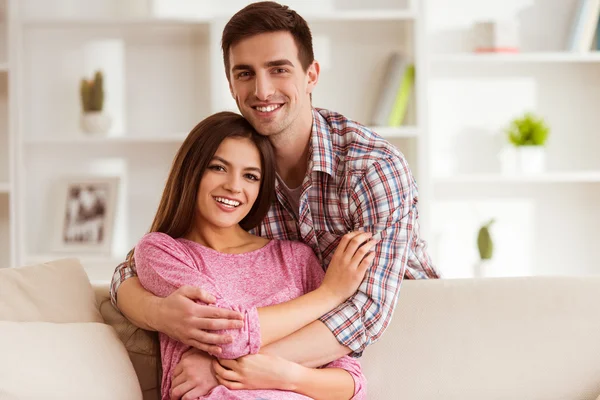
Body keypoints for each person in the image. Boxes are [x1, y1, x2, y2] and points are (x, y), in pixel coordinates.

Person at [110, 0, 441, 396]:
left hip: (398, 334)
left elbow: (366, 311)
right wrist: (160, 313)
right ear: (230, 85)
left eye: (278, 69)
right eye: (245, 73)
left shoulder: (371, 169)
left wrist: (224, 368)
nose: (261, 90)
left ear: (311, 75)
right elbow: (130, 270)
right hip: (287, 349)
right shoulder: (241, 179)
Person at [134, 111, 370, 399]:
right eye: (218, 168)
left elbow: (350, 383)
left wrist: (287, 376)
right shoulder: (162, 252)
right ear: (191, 171)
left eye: (250, 176)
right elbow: (226, 335)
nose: (234, 186)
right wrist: (329, 294)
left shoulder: (297, 259)